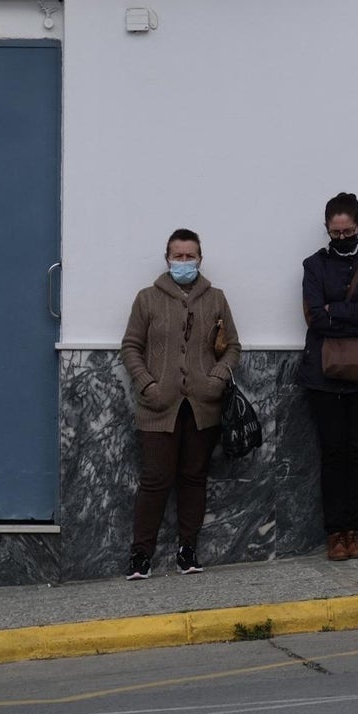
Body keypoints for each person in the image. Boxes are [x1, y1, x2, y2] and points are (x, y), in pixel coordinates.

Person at [120, 228, 241, 580]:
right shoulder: (147, 299)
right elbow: (130, 347)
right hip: (158, 405)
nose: (184, 261)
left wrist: (216, 378)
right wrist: (148, 384)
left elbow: (232, 346)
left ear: (200, 258)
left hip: (203, 406)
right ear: (167, 258)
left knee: (193, 478)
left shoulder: (215, 298)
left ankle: (187, 550)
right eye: (178, 255)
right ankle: (140, 554)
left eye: (190, 256)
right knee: (155, 479)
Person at [296, 192, 358, 561]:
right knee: (332, 453)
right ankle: (335, 533)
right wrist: (357, 312)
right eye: (335, 233)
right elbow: (314, 318)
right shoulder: (313, 265)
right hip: (323, 375)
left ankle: (356, 531)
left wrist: (335, 311)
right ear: (326, 230)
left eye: (347, 231)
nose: (341, 238)